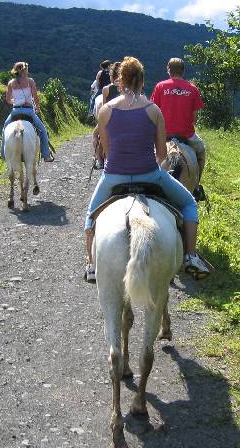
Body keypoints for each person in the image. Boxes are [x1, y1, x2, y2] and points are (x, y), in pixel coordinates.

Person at [84, 56, 210, 283]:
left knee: (90, 216)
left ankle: (91, 265)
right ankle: (191, 256)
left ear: (119, 81)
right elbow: (162, 155)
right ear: (142, 81)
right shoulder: (153, 111)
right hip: (150, 174)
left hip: (114, 177)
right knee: (190, 203)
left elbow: (108, 152)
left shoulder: (106, 111)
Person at [150, 57, 207, 201]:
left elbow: (153, 112)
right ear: (183, 71)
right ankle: (196, 187)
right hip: (186, 136)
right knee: (201, 152)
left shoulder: (160, 87)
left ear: (168, 70)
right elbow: (195, 118)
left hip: (162, 136)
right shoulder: (192, 89)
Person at [1, 61, 54, 162]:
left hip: (15, 111)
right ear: (24, 71)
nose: (27, 70)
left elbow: (8, 100)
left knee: (4, 128)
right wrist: (37, 107)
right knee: (43, 131)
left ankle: (3, 153)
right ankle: (46, 155)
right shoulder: (30, 81)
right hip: (29, 111)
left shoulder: (11, 83)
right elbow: (35, 97)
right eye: (26, 69)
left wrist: (15, 101)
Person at [92, 60, 122, 169]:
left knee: (95, 135)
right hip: (123, 118)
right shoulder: (125, 88)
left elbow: (104, 109)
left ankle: (99, 161)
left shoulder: (106, 89)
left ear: (111, 75)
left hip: (110, 119)